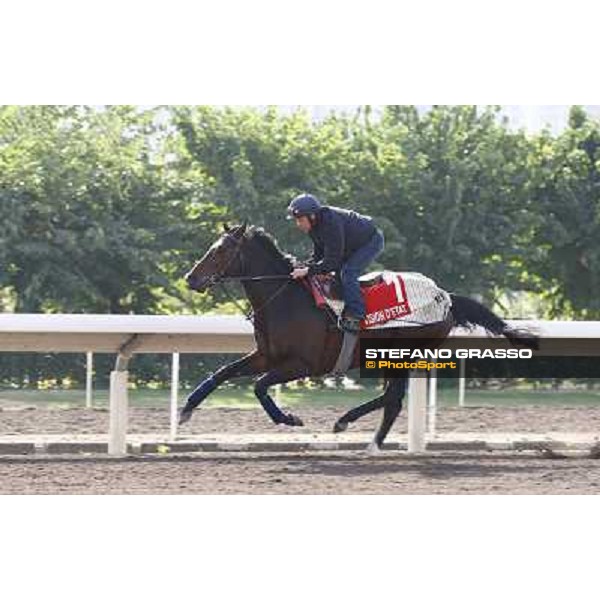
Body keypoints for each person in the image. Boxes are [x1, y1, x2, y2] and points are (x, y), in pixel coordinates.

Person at [287, 193, 385, 332]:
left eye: (300, 220)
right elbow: (318, 255)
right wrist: (305, 266)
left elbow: (332, 261)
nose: (298, 224)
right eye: (296, 220)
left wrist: (308, 270)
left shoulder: (331, 223)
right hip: (350, 245)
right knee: (337, 276)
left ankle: (356, 316)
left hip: (370, 241)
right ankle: (341, 312)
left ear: (312, 216)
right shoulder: (313, 227)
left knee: (348, 272)